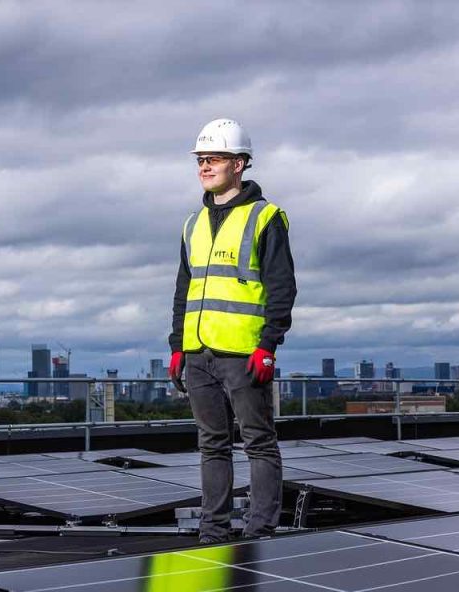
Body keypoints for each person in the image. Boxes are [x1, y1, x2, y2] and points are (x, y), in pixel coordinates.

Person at [168, 118, 297, 543]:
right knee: (212, 445)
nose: (205, 166)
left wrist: (268, 344)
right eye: (201, 160)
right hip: (198, 353)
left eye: (215, 159)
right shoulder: (193, 224)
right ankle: (213, 531)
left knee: (258, 441)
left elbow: (282, 286)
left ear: (239, 164)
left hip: (244, 354)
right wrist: (176, 346)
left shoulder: (265, 217)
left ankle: (260, 532)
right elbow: (184, 288)